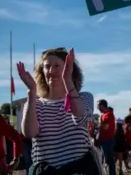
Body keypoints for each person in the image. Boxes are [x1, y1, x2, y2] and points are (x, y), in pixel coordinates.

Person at [17, 47, 98, 175]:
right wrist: (32, 93)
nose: (51, 71)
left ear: (69, 69)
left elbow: (80, 118)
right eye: (47, 66)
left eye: (57, 66)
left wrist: (67, 81)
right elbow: (29, 133)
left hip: (79, 169)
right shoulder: (34, 104)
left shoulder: (84, 97)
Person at [97, 99, 116, 175]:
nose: (98, 108)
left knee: (109, 159)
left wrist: (99, 121)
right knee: (105, 159)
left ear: (102, 106)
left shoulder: (109, 114)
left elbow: (105, 127)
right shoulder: (103, 115)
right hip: (103, 140)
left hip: (108, 140)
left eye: (98, 106)